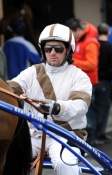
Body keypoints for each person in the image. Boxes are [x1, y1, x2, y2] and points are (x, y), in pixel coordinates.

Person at [7, 23, 92, 175]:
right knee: (8, 158)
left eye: (58, 49)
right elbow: (11, 88)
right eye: (48, 49)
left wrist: (56, 107)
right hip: (33, 135)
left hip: (65, 135)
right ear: (43, 50)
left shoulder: (79, 76)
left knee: (64, 164)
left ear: (68, 51)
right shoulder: (32, 72)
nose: (52, 53)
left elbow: (80, 105)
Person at [65, 18, 100, 145]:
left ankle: (91, 141)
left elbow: (92, 64)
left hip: (88, 83)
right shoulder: (77, 41)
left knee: (88, 113)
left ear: (78, 30)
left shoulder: (90, 42)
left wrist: (73, 61)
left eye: (71, 33)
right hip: (77, 82)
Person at [0, 8, 42, 79]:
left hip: (7, 87)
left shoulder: (3, 47)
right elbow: (40, 67)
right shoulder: (29, 46)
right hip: (25, 87)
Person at [94, 22, 112, 144]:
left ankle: (100, 134)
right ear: (108, 32)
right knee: (102, 107)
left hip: (94, 80)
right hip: (105, 82)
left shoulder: (94, 45)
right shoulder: (111, 47)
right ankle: (98, 135)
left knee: (101, 106)